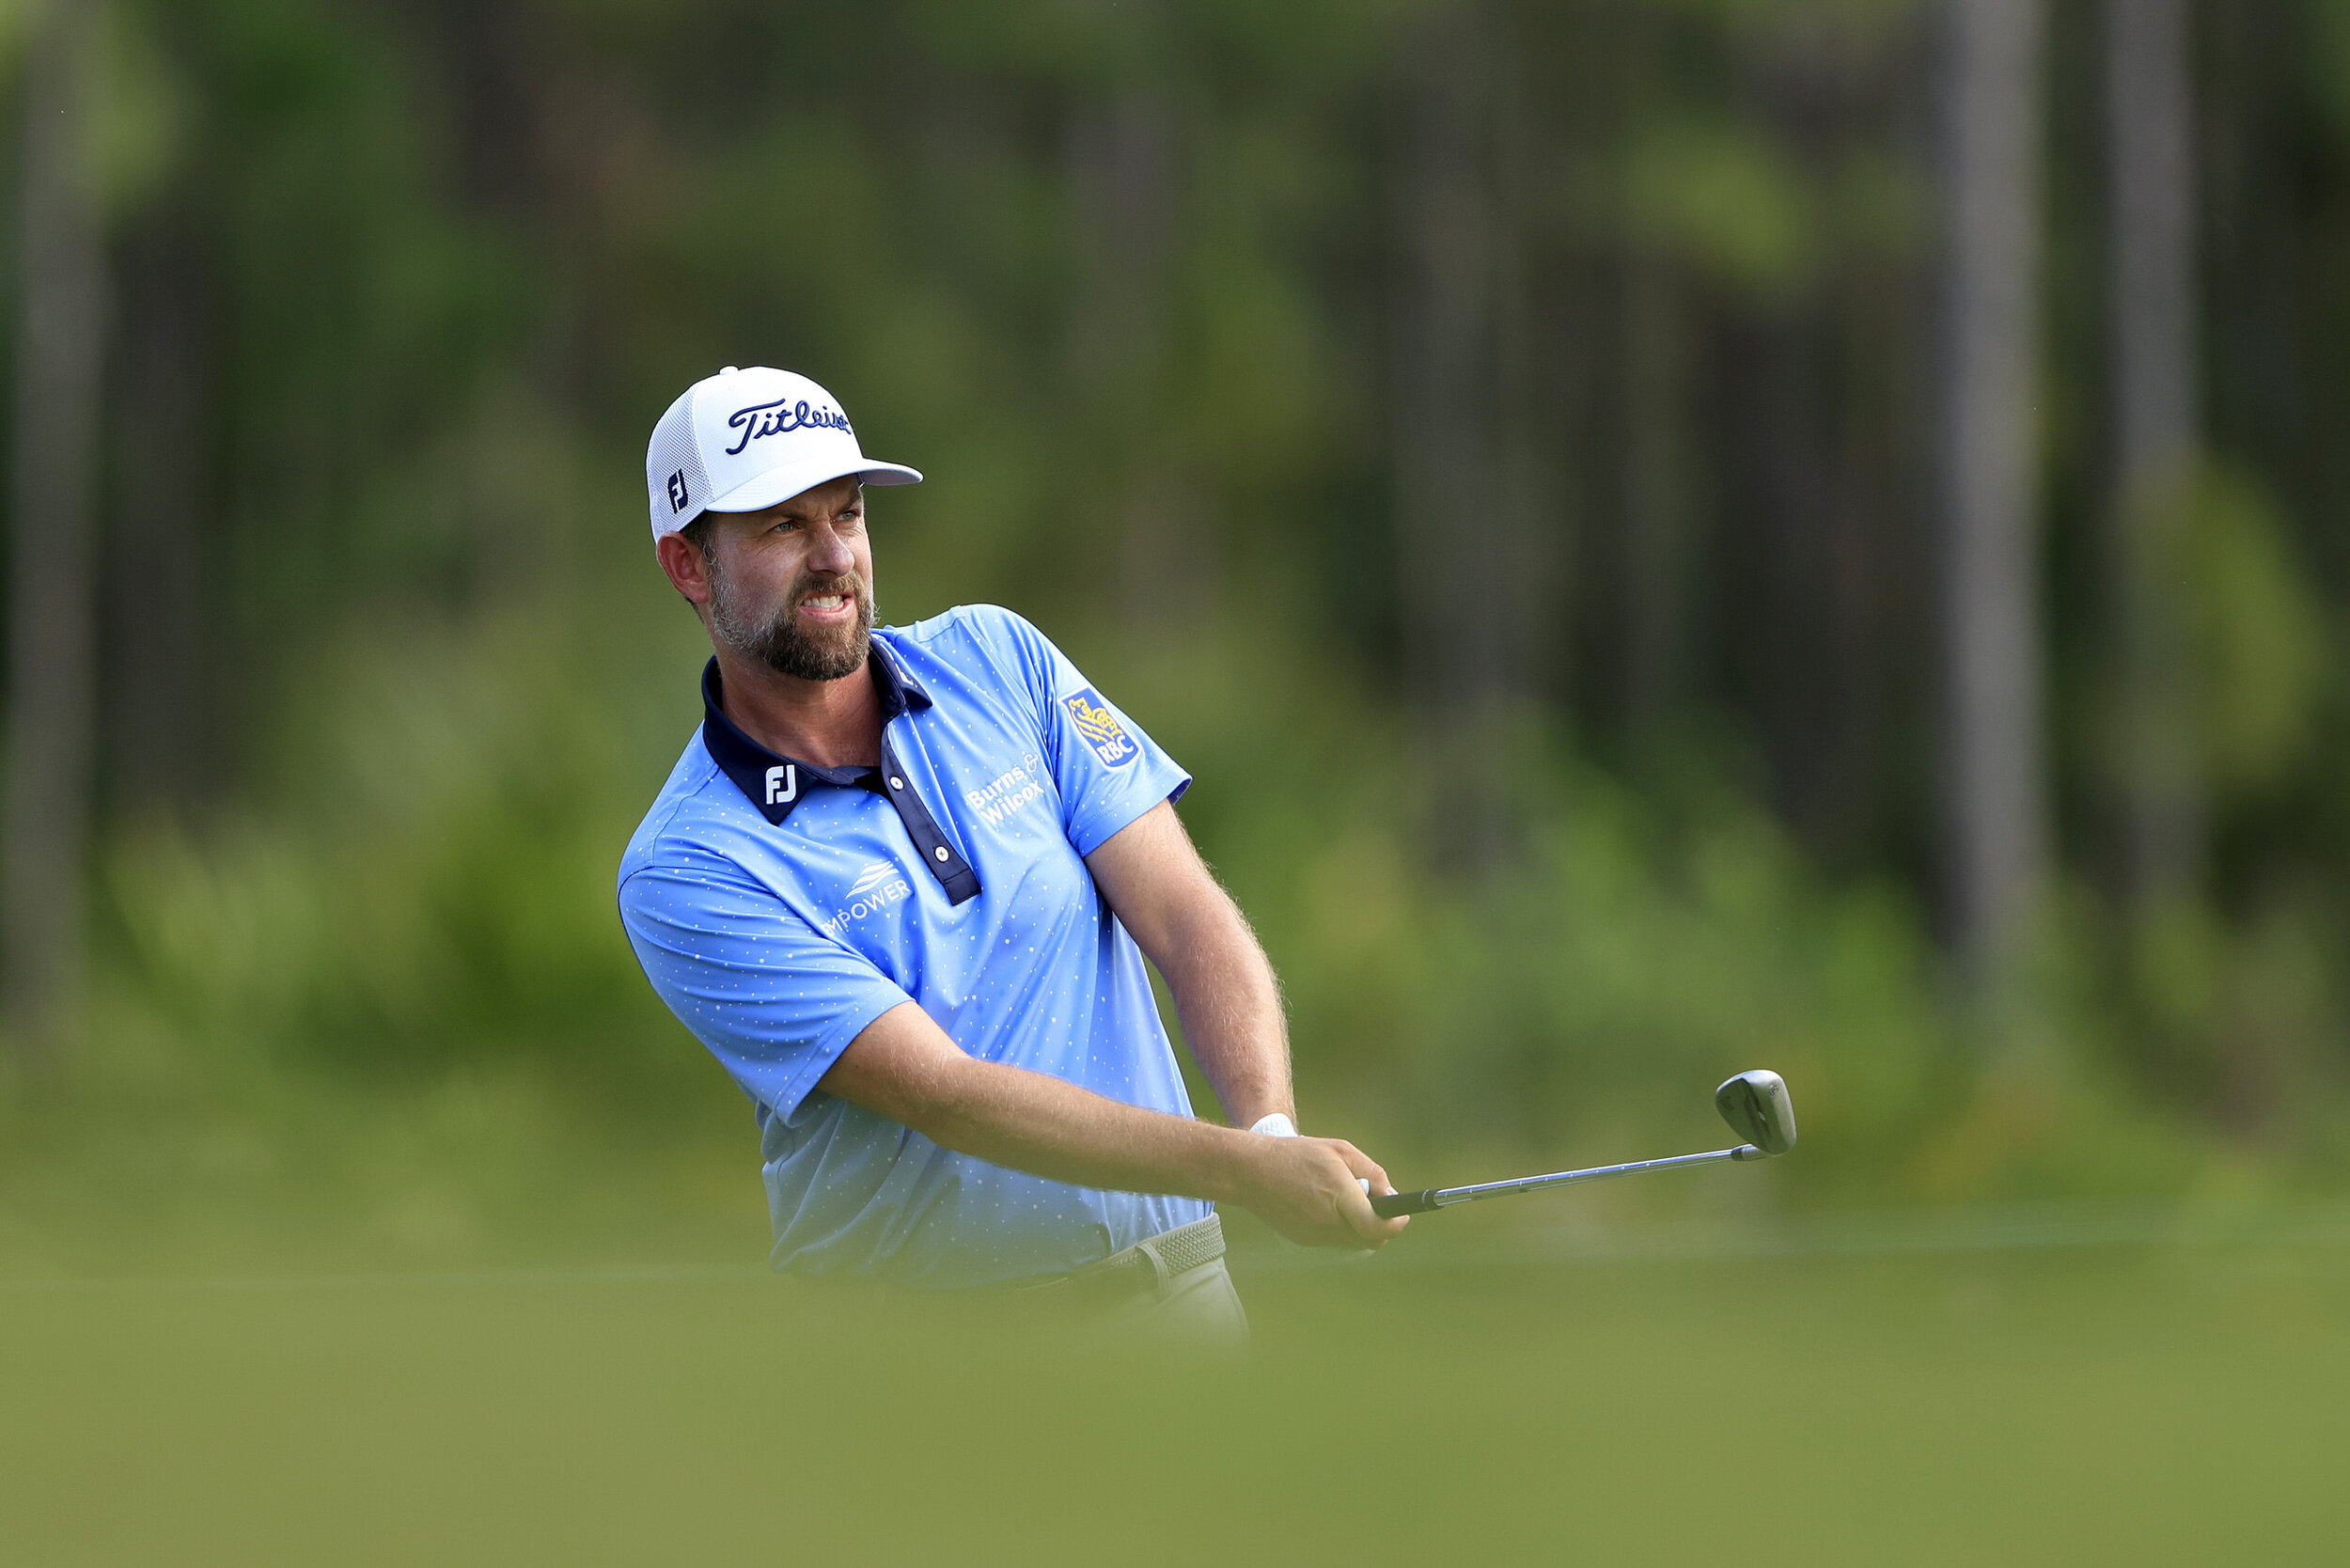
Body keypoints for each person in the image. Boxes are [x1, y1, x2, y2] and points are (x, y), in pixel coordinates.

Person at [619, 365, 1406, 1331]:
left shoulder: (999, 660)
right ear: (687, 566)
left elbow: (1182, 911)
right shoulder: (689, 865)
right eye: (782, 526)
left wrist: (1272, 1131)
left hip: (1177, 1301)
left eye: (848, 514)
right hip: (922, 1366)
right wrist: (1245, 1171)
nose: (833, 555)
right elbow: (944, 1095)